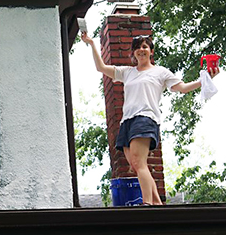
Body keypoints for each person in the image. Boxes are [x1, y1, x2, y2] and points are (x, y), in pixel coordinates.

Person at [81, 33, 219, 205]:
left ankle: (147, 204)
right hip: (127, 122)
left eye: (145, 47)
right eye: (138, 47)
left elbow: (182, 88)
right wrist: (92, 43)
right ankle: (158, 205)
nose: (141, 50)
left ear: (151, 52)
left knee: (139, 163)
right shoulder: (127, 73)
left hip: (145, 118)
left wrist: (205, 79)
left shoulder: (160, 72)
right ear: (133, 53)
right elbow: (101, 67)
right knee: (137, 165)